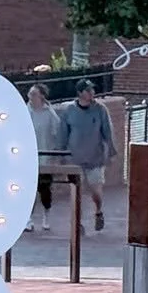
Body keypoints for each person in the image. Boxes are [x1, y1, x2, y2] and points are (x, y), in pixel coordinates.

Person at [61, 79, 117, 232]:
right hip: (74, 158)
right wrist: (61, 154)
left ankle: (98, 211)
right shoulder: (69, 110)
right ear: (80, 93)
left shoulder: (100, 109)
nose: (92, 93)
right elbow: (63, 134)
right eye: (88, 90)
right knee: (76, 193)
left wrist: (111, 152)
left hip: (95, 158)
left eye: (92, 90)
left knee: (96, 191)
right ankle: (77, 224)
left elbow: (107, 132)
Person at [27, 84, 65, 233]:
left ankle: (46, 216)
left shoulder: (50, 113)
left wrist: (55, 155)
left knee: (44, 190)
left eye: (34, 94)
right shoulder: (25, 111)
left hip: (45, 157)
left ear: (42, 96)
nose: (30, 97)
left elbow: (57, 134)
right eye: (30, 94)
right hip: (28, 158)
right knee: (28, 191)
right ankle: (28, 220)